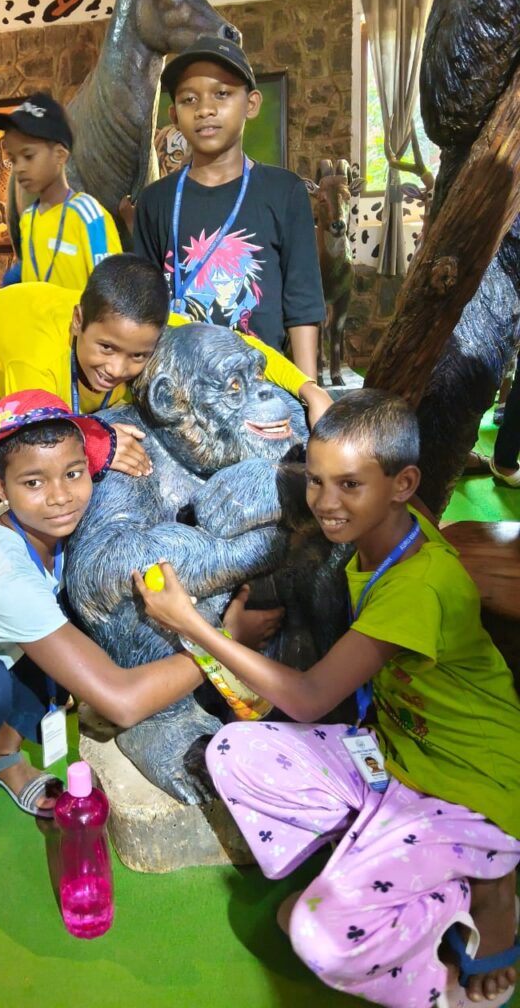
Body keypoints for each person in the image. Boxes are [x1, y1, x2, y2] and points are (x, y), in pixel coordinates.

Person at [133, 389, 520, 1007]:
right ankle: (393, 860)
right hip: (398, 757)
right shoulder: (393, 525)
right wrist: (319, 403)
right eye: (316, 480)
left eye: (349, 485)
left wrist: (193, 625)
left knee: (309, 929)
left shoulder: (418, 586)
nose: (325, 502)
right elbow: (360, 460)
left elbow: (310, 699)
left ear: (401, 484)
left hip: (473, 785)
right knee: (233, 751)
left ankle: (465, 930)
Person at [0, 389, 276, 863]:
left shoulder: (45, 529)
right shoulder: (0, 571)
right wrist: (226, 641)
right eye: (33, 482)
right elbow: (122, 702)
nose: (61, 497)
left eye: (73, 473)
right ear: (0, 488)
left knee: (58, 625)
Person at [0, 254, 332, 482]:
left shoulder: (143, 327)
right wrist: (99, 444)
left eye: (138, 356)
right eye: (106, 347)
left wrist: (309, 389)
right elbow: (35, 436)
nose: (117, 368)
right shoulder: (34, 361)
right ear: (78, 321)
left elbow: (238, 345)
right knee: (14, 476)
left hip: (63, 362)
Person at [132, 36, 325, 381]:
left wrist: (306, 390)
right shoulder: (155, 201)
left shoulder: (285, 192)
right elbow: (144, 307)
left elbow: (302, 304)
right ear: (174, 115)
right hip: (179, 384)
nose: (205, 109)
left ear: (251, 104)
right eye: (189, 99)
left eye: (221, 94)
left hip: (260, 386)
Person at [0, 93, 122, 290]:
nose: (19, 168)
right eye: (13, 159)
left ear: (59, 155)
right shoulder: (28, 219)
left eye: (28, 156)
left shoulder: (88, 216)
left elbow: (112, 292)